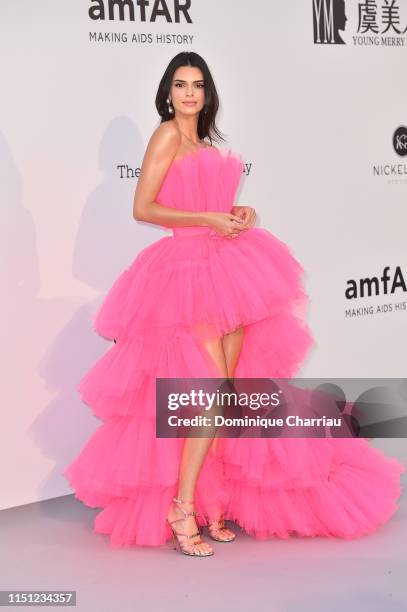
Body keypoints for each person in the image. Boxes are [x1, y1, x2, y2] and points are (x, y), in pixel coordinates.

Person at [64, 52, 404, 557]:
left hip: (225, 267)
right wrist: (208, 218)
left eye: (197, 85)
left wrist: (237, 213)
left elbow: (211, 208)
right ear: (167, 91)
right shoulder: (165, 135)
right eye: (180, 85)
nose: (188, 94)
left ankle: (212, 502)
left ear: (207, 92)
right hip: (186, 275)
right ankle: (182, 509)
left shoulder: (204, 141)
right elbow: (144, 207)